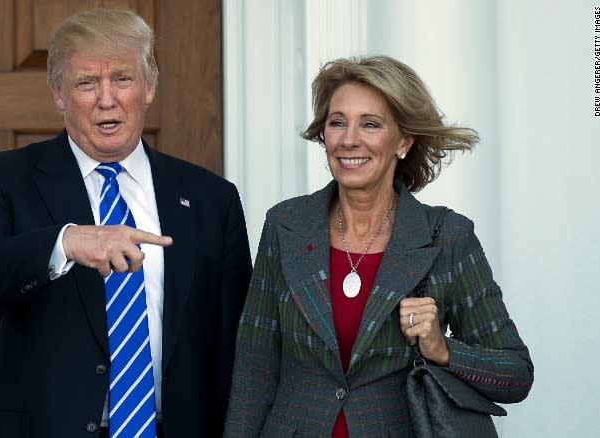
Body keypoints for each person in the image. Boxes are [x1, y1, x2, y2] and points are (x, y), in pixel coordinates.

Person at [0, 8, 252, 438]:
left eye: (122, 79)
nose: (107, 99)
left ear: (150, 87)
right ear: (58, 94)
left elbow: (236, 348)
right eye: (87, 82)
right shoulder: (2, 180)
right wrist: (64, 244)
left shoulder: (211, 199)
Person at [223, 55, 533, 437]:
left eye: (370, 124)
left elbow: (516, 374)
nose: (349, 139)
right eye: (337, 123)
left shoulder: (447, 236)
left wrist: (443, 349)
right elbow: (255, 367)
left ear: (403, 140)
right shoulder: (285, 225)